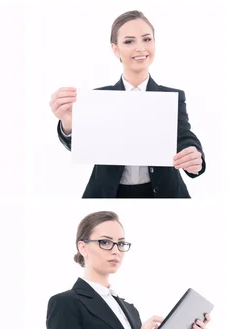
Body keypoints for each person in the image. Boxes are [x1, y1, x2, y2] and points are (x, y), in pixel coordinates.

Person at [46, 211, 211, 329]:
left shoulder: (129, 310)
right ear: (83, 247)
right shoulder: (65, 303)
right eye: (105, 242)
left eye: (121, 243)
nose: (116, 250)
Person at [49, 11, 205, 198]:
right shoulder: (99, 98)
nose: (140, 48)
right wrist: (69, 122)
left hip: (163, 193)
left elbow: (184, 135)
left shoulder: (172, 96)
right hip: (109, 194)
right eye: (129, 41)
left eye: (147, 39)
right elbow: (83, 146)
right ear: (115, 49)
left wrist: (194, 154)